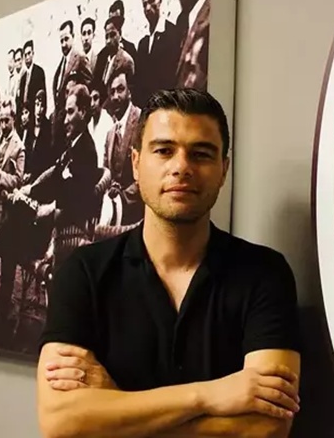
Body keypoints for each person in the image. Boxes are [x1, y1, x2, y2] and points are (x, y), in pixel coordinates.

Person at [35, 88, 302, 438]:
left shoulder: (264, 274)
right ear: (135, 163)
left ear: (224, 170)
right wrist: (208, 395)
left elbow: (267, 427)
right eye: (164, 151)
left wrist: (115, 403)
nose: (181, 167)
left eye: (201, 154)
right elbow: (60, 421)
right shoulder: (83, 272)